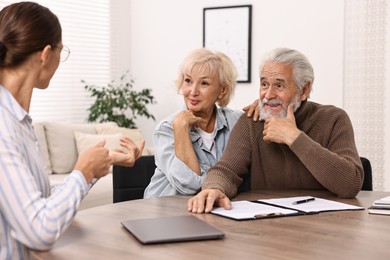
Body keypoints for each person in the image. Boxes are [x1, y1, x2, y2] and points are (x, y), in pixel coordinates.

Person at [0, 2, 143, 258]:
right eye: (61, 50)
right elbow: (39, 229)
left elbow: (38, 201)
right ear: (45, 54)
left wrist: (98, 165)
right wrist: (83, 171)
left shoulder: (18, 121)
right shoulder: (4, 126)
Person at [188, 47, 364, 214]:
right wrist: (214, 188)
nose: (268, 95)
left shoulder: (333, 119)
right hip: (269, 226)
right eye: (264, 84)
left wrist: (294, 137)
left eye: (279, 86)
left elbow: (350, 184)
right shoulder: (253, 121)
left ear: (304, 90)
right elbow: (226, 171)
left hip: (327, 228)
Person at [144, 48, 259, 198]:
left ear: (222, 90)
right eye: (188, 81)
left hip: (214, 212)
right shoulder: (166, 129)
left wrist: (266, 109)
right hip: (166, 213)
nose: (193, 91)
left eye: (204, 83)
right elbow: (188, 186)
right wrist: (180, 129)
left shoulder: (237, 122)